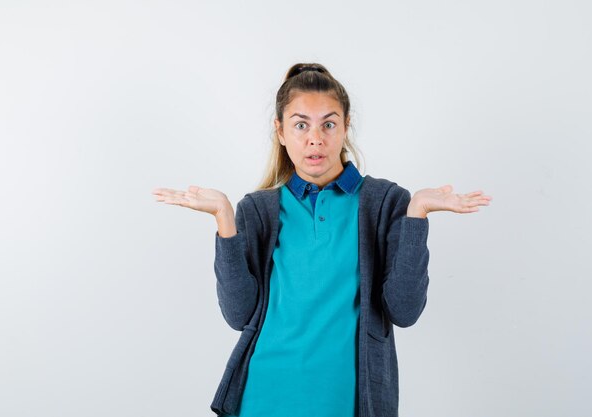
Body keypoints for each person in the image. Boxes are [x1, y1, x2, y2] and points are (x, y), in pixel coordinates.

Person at [152, 63, 492, 417]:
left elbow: (404, 312)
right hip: (264, 395)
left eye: (328, 124)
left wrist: (417, 213)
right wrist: (224, 217)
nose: (315, 138)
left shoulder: (385, 201)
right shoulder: (257, 209)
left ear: (346, 127)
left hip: (347, 401)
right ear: (280, 131)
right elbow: (239, 316)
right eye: (301, 125)